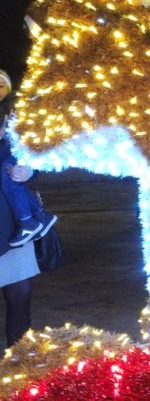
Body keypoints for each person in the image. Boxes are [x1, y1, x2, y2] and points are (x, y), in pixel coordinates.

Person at [0, 70, 42, 348]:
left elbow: (32, 157)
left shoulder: (12, 120)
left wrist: (29, 171)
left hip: (11, 224)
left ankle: (19, 363)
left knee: (20, 293)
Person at [0, 70, 57, 248]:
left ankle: (34, 220)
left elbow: (35, 149)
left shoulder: (18, 114)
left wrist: (29, 171)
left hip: (10, 217)